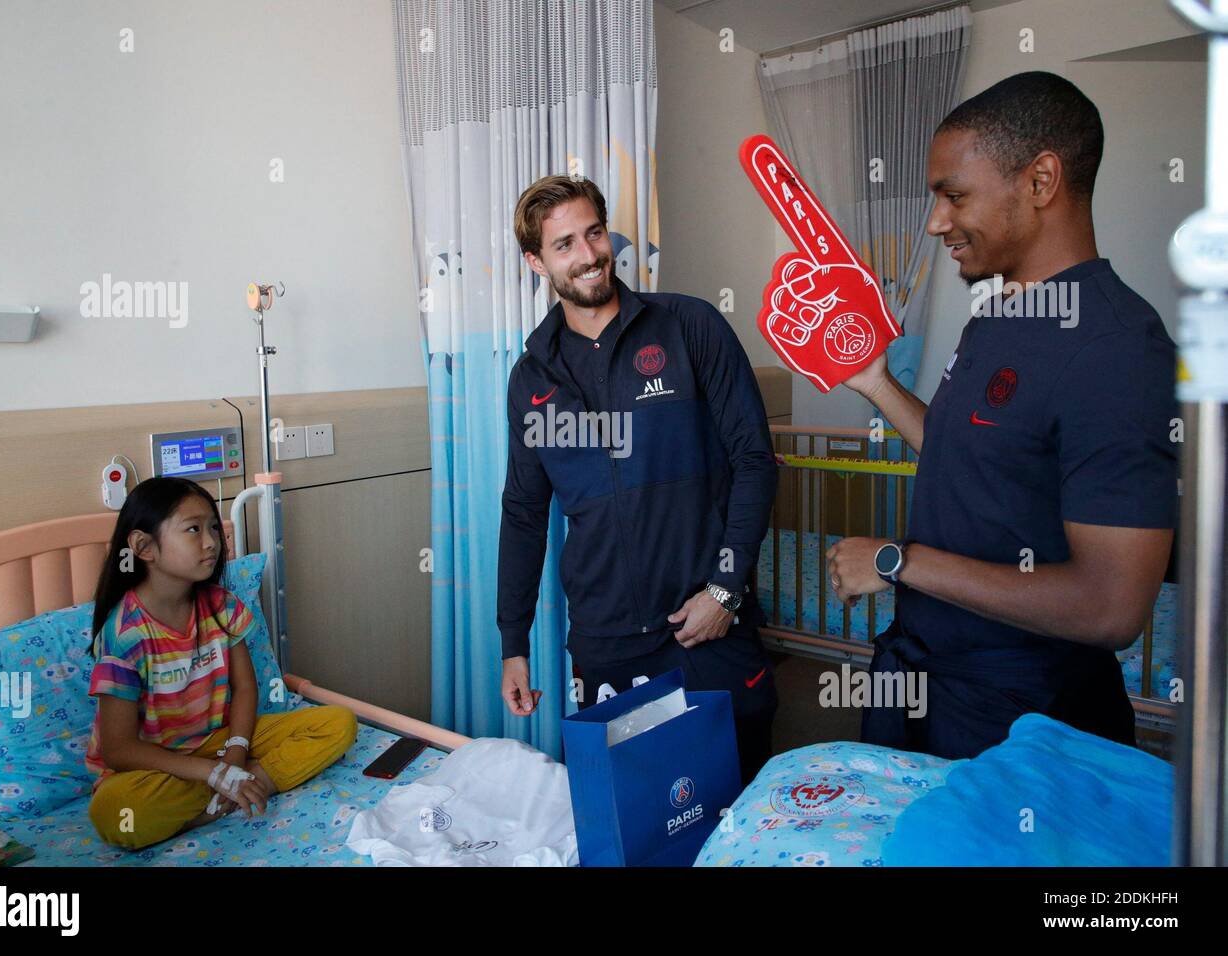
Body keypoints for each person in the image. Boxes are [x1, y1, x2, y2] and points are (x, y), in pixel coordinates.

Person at [829, 71, 1177, 759]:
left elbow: (1111, 607)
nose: (935, 223)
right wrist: (877, 386)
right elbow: (971, 455)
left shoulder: (1117, 349)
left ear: (1041, 181)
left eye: (953, 195)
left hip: (1026, 715)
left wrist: (900, 563)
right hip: (931, 675)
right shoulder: (998, 319)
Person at [497, 175, 779, 784]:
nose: (588, 255)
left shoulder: (689, 327)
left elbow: (754, 460)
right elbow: (523, 510)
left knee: (740, 815)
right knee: (627, 819)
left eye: (594, 233)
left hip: (706, 626)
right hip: (606, 641)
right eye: (565, 243)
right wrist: (512, 642)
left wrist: (725, 590)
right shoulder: (530, 379)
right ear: (536, 261)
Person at [85, 476, 356, 849]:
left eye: (213, 527)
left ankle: (238, 790)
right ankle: (227, 795)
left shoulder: (220, 607)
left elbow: (245, 687)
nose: (212, 541)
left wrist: (235, 753)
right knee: (119, 815)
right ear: (144, 546)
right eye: (193, 530)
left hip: (219, 741)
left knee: (338, 723)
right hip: (155, 765)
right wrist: (213, 773)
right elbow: (119, 749)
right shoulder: (125, 634)